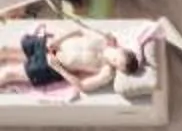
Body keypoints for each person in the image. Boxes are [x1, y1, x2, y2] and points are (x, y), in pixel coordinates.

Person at [0, 21, 159, 94]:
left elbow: (83, 86)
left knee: (8, 73)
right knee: (5, 50)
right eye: (119, 59)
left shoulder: (106, 72)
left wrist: (59, 68)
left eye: (119, 66)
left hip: (51, 64)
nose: (115, 62)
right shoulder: (104, 39)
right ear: (121, 50)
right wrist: (57, 40)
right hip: (50, 45)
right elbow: (78, 31)